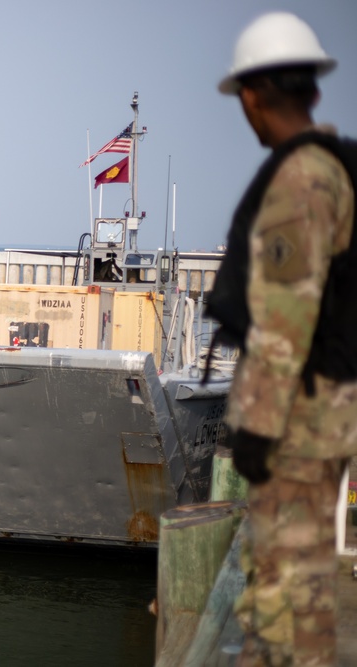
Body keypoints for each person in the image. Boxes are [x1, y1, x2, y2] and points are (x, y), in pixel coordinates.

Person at [207, 12, 356, 666]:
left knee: (288, 600)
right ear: (314, 90)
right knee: (293, 590)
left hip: (299, 417)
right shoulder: (332, 169)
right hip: (323, 406)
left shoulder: (301, 180)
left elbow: (286, 317)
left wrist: (258, 432)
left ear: (252, 95)